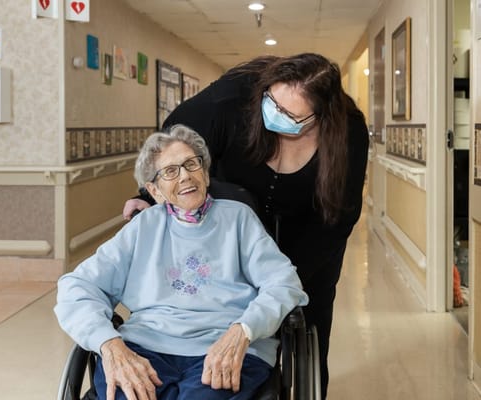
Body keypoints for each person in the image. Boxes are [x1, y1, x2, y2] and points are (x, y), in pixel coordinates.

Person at [123, 53, 369, 399]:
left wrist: (281, 286)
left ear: (319, 118)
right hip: (231, 221)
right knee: (221, 300)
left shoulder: (348, 132)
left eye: (291, 115)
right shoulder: (233, 99)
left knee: (307, 319)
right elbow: (172, 147)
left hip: (311, 230)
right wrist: (148, 196)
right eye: (273, 103)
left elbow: (339, 217)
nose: (277, 116)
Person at [55, 125, 308, 400]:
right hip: (145, 346)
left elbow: (284, 283)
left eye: (191, 164)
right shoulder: (143, 227)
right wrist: (109, 344)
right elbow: (77, 287)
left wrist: (244, 330)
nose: (185, 176)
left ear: (205, 173)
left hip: (225, 346)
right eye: (170, 171)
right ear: (155, 190)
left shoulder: (239, 219)